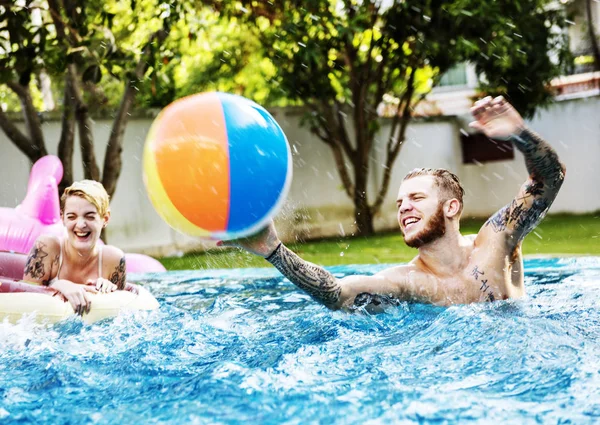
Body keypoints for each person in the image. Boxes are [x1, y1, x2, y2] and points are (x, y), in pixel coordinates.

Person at [221, 96, 566, 310]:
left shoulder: (496, 242)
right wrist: (272, 249)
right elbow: (338, 294)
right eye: (400, 202)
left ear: (451, 208)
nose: (403, 208)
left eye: (416, 198)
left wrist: (521, 133)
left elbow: (548, 180)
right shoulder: (407, 282)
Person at [22, 180, 127, 315]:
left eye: (89, 217)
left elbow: (120, 314)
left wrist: (108, 291)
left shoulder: (113, 260)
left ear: (105, 219)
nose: (80, 225)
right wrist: (59, 285)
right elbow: (25, 303)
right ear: (63, 218)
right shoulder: (48, 248)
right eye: (71, 217)